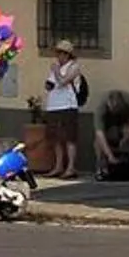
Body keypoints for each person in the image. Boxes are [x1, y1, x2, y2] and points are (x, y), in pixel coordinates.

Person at [42, 41, 85, 179]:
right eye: (57, 53)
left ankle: (71, 167)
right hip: (54, 105)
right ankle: (58, 166)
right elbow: (50, 85)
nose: (58, 56)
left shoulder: (74, 67)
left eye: (61, 53)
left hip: (68, 105)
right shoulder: (56, 67)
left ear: (68, 55)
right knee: (55, 138)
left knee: (69, 138)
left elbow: (63, 82)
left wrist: (56, 71)